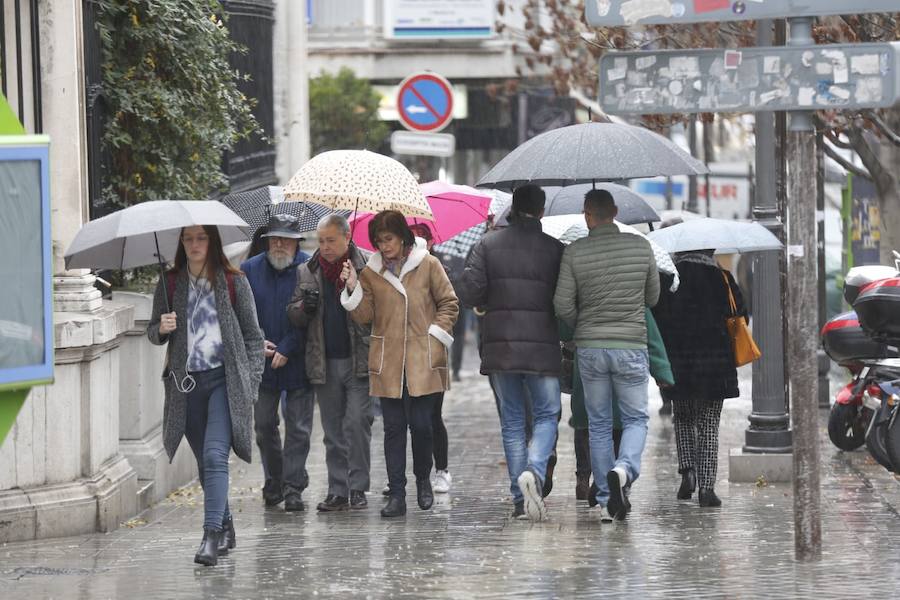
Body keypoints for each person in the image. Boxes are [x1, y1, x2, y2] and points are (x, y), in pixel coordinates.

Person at [148, 225, 264, 566]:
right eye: (188, 238)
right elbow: (153, 332)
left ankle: (210, 535)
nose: (195, 244)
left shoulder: (233, 280)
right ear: (181, 243)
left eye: (201, 238)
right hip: (186, 388)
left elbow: (254, 338)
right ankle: (226, 524)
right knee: (205, 462)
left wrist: (250, 384)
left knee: (215, 457)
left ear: (212, 242)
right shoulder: (170, 283)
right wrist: (162, 328)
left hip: (225, 384)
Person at [340, 211, 459, 518]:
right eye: (378, 241)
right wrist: (353, 286)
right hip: (389, 361)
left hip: (423, 358)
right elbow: (364, 316)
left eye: (388, 239)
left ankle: (423, 479)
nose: (384, 246)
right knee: (393, 428)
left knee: (421, 425)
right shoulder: (371, 272)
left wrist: (435, 334)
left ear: (403, 237)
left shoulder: (428, 264)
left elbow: (449, 302)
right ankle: (396, 494)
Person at [458, 184, 564, 522]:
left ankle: (520, 498)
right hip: (543, 348)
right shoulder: (556, 250)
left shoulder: (486, 245)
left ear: (512, 210)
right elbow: (564, 300)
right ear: (542, 211)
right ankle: (535, 469)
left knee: (513, 421)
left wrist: (492, 301)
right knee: (548, 415)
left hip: (501, 347)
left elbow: (472, 293)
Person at [554, 189, 659, 522]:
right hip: (630, 346)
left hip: (591, 349)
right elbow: (653, 297)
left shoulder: (574, 253)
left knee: (597, 424)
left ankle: (603, 500)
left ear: (587, 215)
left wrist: (582, 323)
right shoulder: (641, 246)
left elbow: (562, 305)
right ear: (615, 211)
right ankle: (624, 469)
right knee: (635, 418)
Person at [287, 214, 373, 512]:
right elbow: (294, 315)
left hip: (359, 359)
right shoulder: (307, 271)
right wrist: (303, 307)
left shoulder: (367, 267)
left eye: (331, 240)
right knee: (333, 430)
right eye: (321, 241)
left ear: (347, 238)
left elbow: (375, 314)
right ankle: (338, 489)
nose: (324, 247)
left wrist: (353, 287)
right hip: (324, 361)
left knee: (357, 423)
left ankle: (358, 487)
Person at [652, 250, 746, 508]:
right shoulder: (722, 276)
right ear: (710, 251)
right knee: (708, 425)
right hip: (715, 362)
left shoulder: (670, 278)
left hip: (680, 362)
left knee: (682, 417)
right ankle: (707, 488)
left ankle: (688, 472)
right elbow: (740, 313)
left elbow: (657, 318)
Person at [241, 215, 312, 512]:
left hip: (299, 360)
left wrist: (288, 346)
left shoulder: (309, 268)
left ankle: (293, 486)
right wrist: (258, 343)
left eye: (285, 239)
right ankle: (275, 479)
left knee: (298, 427)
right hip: (262, 362)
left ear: (297, 243)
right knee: (264, 425)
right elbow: (243, 314)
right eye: (274, 239)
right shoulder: (249, 270)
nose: (279, 245)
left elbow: (313, 315)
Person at [409, 222, 453, 494]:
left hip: (431, 351)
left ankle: (441, 469)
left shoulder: (435, 266)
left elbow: (449, 306)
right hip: (405, 354)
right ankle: (415, 474)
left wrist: (435, 334)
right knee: (410, 420)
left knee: (431, 416)